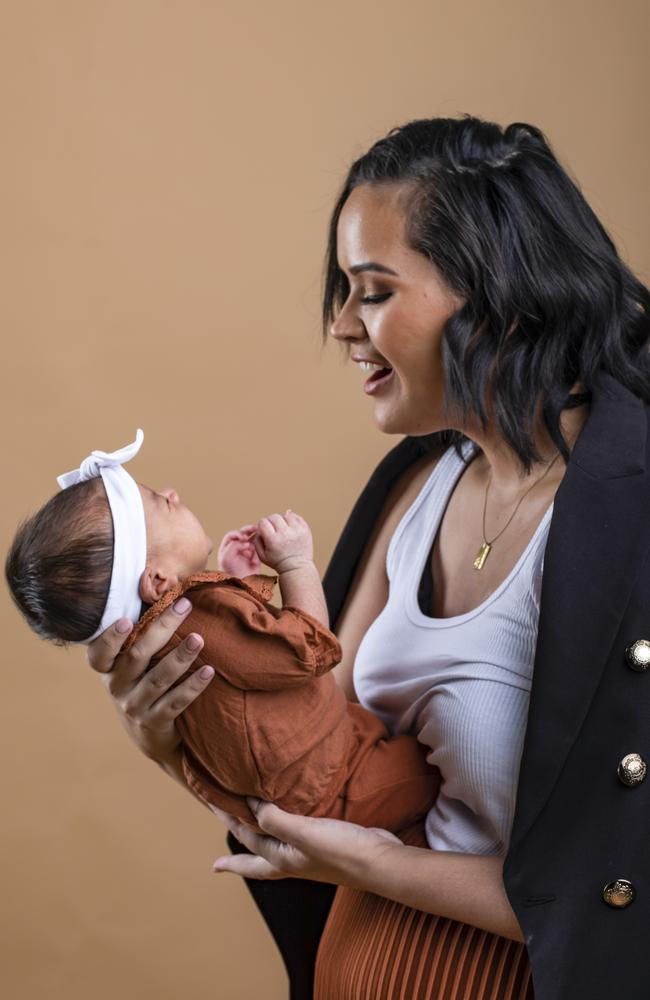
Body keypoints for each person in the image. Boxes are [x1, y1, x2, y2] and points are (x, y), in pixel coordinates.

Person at [85, 115, 650, 1000]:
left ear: (501, 296)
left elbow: (624, 890)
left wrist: (384, 868)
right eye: (344, 289)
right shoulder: (414, 486)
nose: (343, 325)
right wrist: (177, 735)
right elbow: (323, 768)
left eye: (374, 291)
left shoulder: (635, 514)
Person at [6, 432, 440, 836]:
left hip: (308, 769)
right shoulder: (202, 613)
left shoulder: (158, 642)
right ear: (158, 580)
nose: (174, 493)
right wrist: (295, 566)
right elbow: (307, 650)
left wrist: (242, 582)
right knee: (429, 774)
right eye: (161, 503)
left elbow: (242, 676)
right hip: (335, 782)